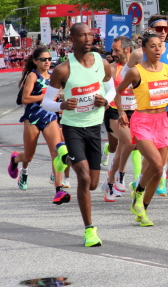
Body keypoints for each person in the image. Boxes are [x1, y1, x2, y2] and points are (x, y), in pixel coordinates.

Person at [41, 23, 114, 247]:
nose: (88, 38)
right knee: (83, 178)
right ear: (71, 39)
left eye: (90, 34)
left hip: (94, 127)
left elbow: (111, 89)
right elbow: (46, 102)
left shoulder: (102, 63)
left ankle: (64, 157)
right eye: (82, 35)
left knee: (92, 184)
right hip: (72, 127)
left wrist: (106, 100)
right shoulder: (63, 70)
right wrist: (62, 105)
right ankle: (89, 230)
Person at [115, 31, 168, 225]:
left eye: (160, 46)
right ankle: (139, 191)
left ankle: (143, 211)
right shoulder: (136, 71)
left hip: (162, 121)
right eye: (153, 46)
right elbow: (118, 91)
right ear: (144, 50)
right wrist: (121, 112)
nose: (157, 50)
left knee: (158, 171)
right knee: (156, 164)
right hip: (142, 122)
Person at [8, 46, 70, 204]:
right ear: (35, 61)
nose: (47, 62)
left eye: (49, 59)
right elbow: (25, 99)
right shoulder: (32, 76)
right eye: (43, 59)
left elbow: (60, 94)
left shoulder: (54, 76)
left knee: (56, 153)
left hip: (50, 116)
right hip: (33, 117)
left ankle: (58, 190)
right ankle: (15, 160)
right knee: (29, 156)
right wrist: (45, 96)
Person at [103, 36, 137, 203]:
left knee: (124, 145)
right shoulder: (111, 69)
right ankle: (121, 174)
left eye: (116, 50)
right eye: (113, 50)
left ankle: (110, 182)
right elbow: (104, 89)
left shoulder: (138, 68)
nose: (113, 53)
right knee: (128, 142)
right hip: (115, 112)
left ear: (127, 50)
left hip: (134, 111)